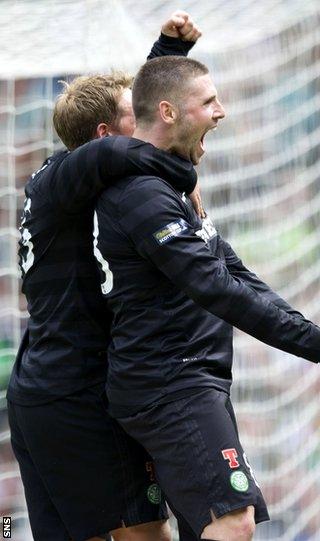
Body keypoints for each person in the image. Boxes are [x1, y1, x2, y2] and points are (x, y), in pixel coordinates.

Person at [94, 56, 320, 541]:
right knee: (232, 523)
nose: (222, 111)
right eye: (209, 101)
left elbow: (235, 271)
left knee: (180, 531)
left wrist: (310, 333)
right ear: (170, 111)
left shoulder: (171, 186)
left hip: (181, 380)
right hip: (170, 383)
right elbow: (216, 289)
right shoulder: (143, 196)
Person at [6, 13, 202, 541]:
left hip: (44, 389)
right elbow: (125, 142)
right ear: (97, 137)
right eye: (128, 117)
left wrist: (167, 52)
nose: (144, 122)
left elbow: (133, 118)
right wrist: (183, 173)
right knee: (146, 535)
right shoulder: (69, 175)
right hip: (76, 393)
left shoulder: (70, 181)